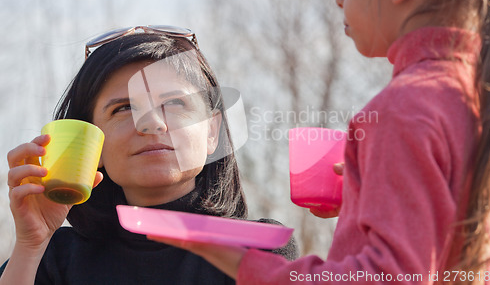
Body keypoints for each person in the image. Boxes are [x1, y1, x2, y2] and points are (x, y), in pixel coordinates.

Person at [151, 0, 490, 284]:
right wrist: (370, 196)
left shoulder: (404, 107)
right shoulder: (478, 99)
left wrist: (242, 261)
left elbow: (391, 277)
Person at [1, 26, 297, 285]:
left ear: (211, 132)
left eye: (174, 103)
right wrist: (30, 246)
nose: (152, 123)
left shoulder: (261, 249)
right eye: (124, 108)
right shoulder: (53, 259)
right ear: (92, 146)